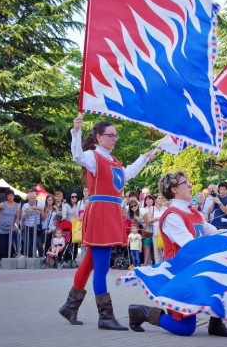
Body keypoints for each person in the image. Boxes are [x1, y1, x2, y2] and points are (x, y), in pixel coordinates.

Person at [59, 116, 155, 330]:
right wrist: (76, 132)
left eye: (115, 135)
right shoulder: (93, 157)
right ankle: (105, 316)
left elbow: (127, 174)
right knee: (101, 267)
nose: (115, 139)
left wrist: (144, 158)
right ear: (99, 137)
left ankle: (69, 306)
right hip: (101, 213)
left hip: (110, 212)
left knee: (89, 263)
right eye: (111, 135)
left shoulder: (114, 160)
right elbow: (77, 157)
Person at [128, 171, 227, 337]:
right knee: (184, 328)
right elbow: (189, 245)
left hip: (194, 271)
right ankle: (142, 312)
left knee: (222, 273)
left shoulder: (193, 213)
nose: (190, 185)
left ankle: (215, 322)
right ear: (174, 189)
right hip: (180, 276)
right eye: (186, 183)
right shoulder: (171, 216)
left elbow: (212, 231)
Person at [0, 189, 21, 260]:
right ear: (6, 197)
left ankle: (14, 255)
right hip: (1, 227)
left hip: (11, 227)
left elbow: (17, 217)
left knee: (13, 242)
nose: (10, 197)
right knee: (3, 244)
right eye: (8, 196)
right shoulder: (3, 204)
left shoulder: (17, 206)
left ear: (13, 196)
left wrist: (15, 225)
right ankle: (4, 259)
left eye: (11, 195)